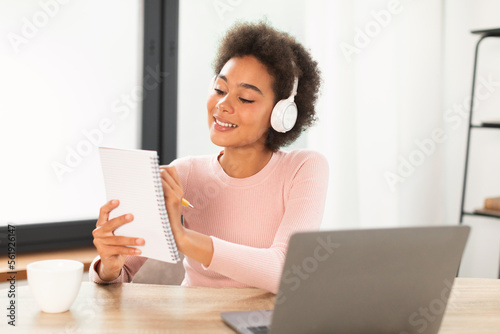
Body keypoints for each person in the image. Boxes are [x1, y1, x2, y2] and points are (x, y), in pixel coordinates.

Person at [90, 21, 328, 294]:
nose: (223, 105)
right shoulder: (185, 174)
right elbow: (121, 275)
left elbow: (284, 271)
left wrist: (183, 239)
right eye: (219, 89)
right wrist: (109, 264)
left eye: (246, 99)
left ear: (282, 114)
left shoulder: (304, 168)